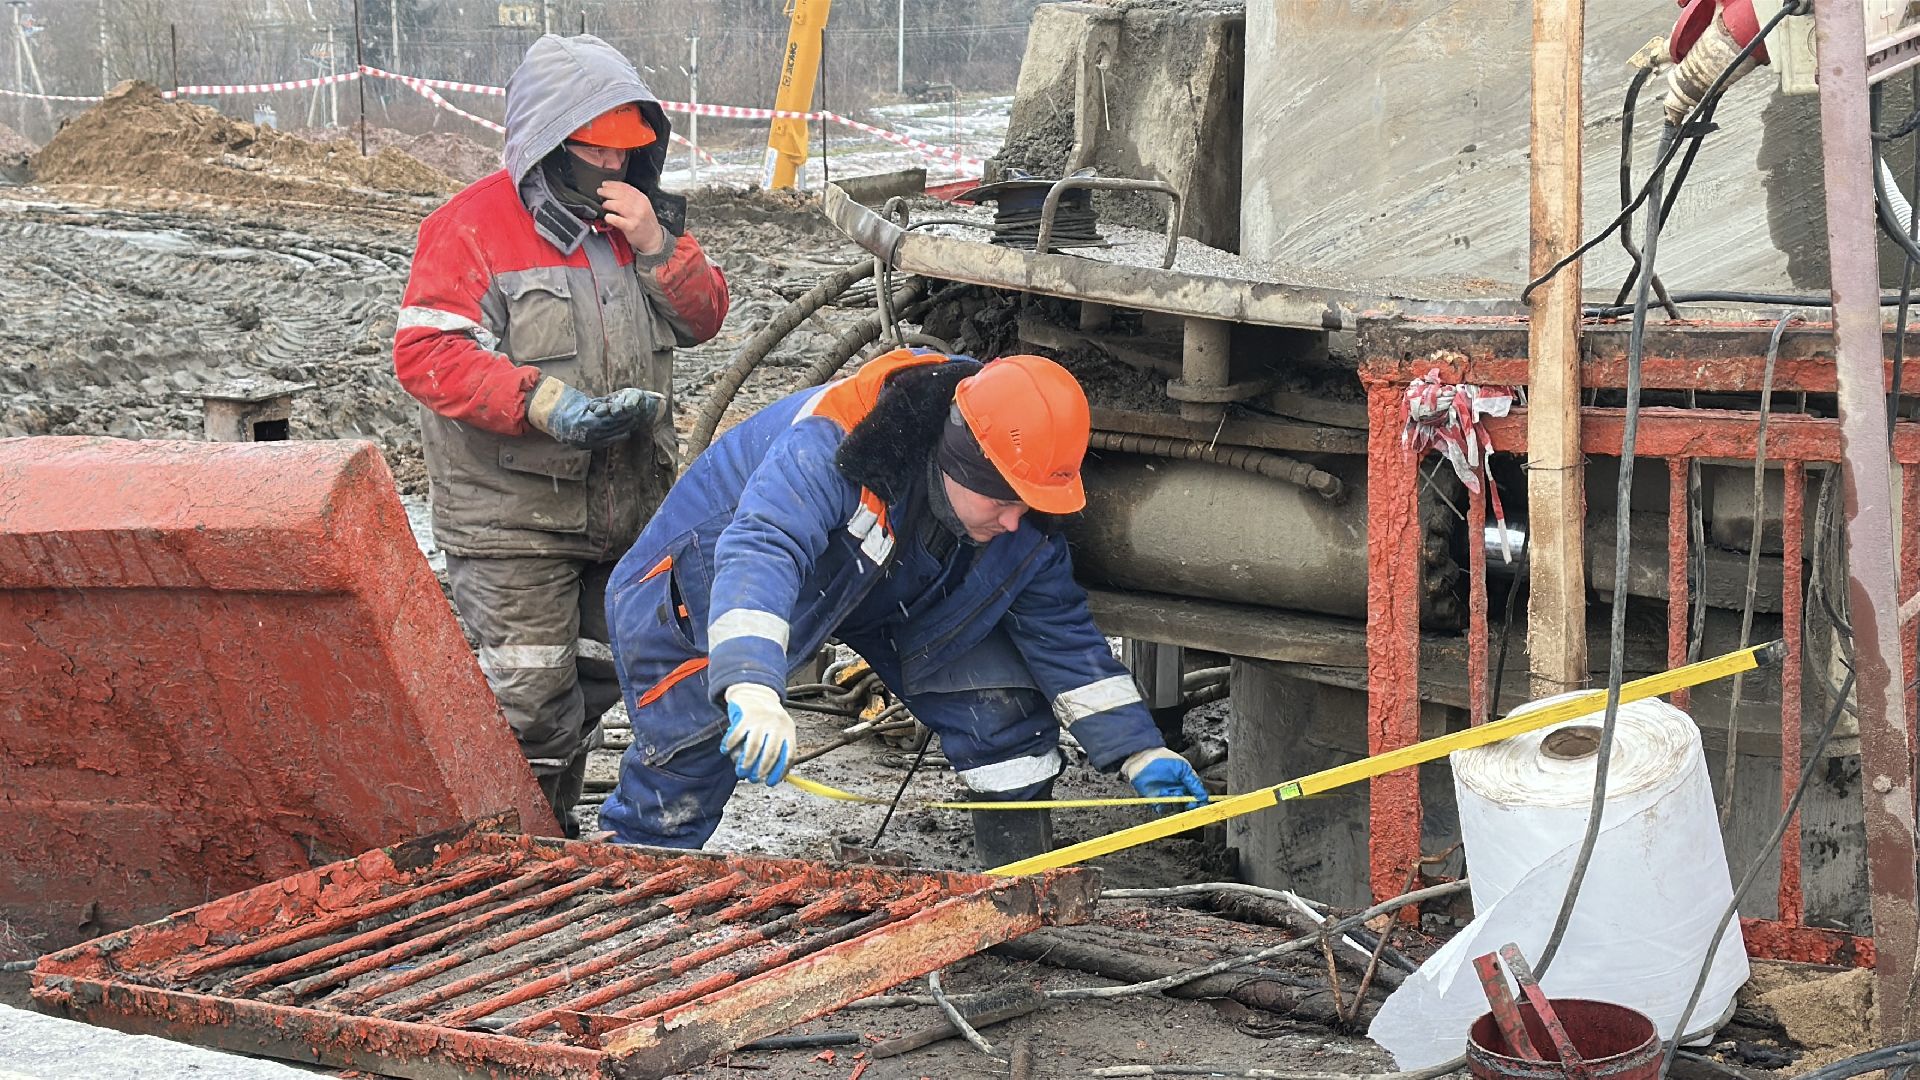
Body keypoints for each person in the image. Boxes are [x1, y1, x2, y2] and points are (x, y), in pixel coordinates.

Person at [598, 348, 1208, 867]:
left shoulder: (1014, 511)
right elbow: (764, 549)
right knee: (689, 754)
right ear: (962, 466)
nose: (1017, 520)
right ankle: (627, 878)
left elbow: (1064, 635)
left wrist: (1138, 748)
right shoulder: (840, 443)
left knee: (1003, 713)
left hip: (888, 586)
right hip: (711, 579)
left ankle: (1018, 895)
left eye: (1030, 502)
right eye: (1006, 502)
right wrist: (752, 686)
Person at [392, 34, 729, 834]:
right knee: (530, 701)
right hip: (515, 524)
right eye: (596, 154)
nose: (612, 170)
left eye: (626, 155)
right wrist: (542, 402)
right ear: (550, 143)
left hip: (624, 513)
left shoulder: (635, 225)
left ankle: (549, 828)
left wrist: (659, 247)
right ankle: (514, 854)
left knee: (606, 678)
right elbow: (427, 352)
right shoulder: (470, 228)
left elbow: (706, 317)